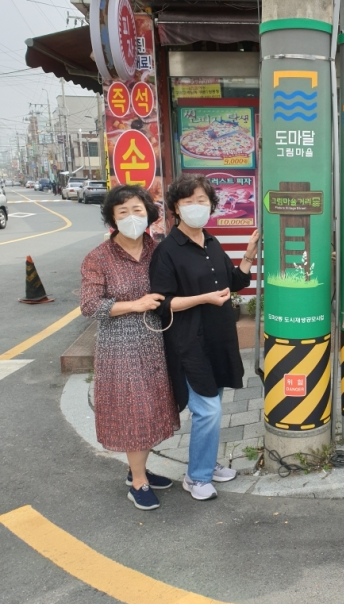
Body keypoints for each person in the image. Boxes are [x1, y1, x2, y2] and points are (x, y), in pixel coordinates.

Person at [149, 174, 260, 502]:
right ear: (175, 208)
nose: (196, 207)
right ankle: (195, 477)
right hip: (188, 342)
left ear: (211, 206)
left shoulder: (211, 243)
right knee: (207, 410)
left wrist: (250, 253)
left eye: (202, 201)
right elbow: (162, 304)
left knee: (214, 405)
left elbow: (235, 281)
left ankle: (207, 466)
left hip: (218, 338)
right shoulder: (167, 251)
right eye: (188, 201)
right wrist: (204, 299)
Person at [80, 185, 180, 511]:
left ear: (149, 214)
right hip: (120, 347)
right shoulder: (98, 258)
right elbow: (90, 305)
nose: (131, 217)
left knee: (151, 410)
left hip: (155, 344)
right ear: (111, 217)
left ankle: (138, 470)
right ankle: (138, 482)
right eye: (122, 211)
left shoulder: (158, 250)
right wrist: (135, 304)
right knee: (133, 412)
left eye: (137, 210)